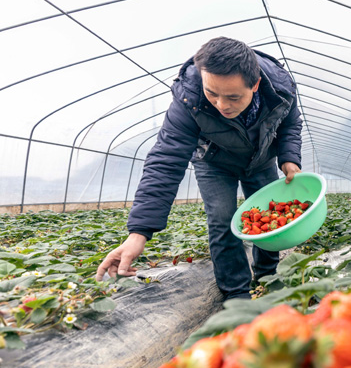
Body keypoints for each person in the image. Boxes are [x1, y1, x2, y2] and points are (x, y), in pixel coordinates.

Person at [96, 37, 302, 300]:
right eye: (212, 93)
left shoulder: (282, 90)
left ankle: (266, 276)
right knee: (222, 218)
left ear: (256, 85)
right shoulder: (188, 97)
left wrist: (289, 157)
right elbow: (166, 160)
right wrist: (138, 234)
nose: (221, 104)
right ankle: (236, 294)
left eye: (233, 97)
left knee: (268, 219)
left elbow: (290, 124)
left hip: (260, 160)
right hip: (213, 162)